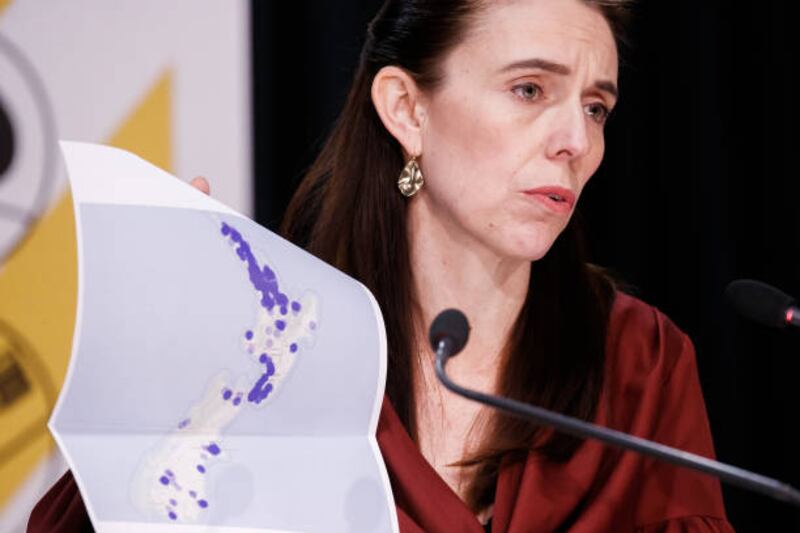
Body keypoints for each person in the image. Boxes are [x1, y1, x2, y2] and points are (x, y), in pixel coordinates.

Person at [29, 0, 734, 531]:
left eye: (596, 107)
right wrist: (166, 356)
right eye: (530, 91)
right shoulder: (273, 342)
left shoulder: (643, 364)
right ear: (406, 110)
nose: (576, 140)